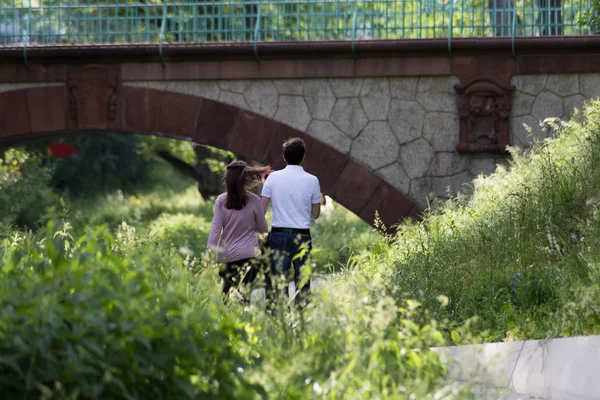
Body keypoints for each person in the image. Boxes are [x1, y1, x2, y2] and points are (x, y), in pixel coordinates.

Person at [261, 138, 321, 305]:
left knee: (279, 281)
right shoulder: (312, 180)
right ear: (303, 157)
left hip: (278, 235)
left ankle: (280, 318)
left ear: (284, 157)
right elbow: (316, 214)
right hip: (302, 235)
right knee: (303, 280)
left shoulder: (272, 179)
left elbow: (261, 210)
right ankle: (301, 317)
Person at [207, 160, 271, 300]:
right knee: (244, 296)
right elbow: (263, 231)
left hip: (226, 255)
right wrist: (261, 252)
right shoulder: (254, 200)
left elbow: (216, 229)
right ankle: (245, 321)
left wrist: (209, 253)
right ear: (245, 179)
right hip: (249, 255)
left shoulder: (221, 200)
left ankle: (227, 321)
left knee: (225, 297)